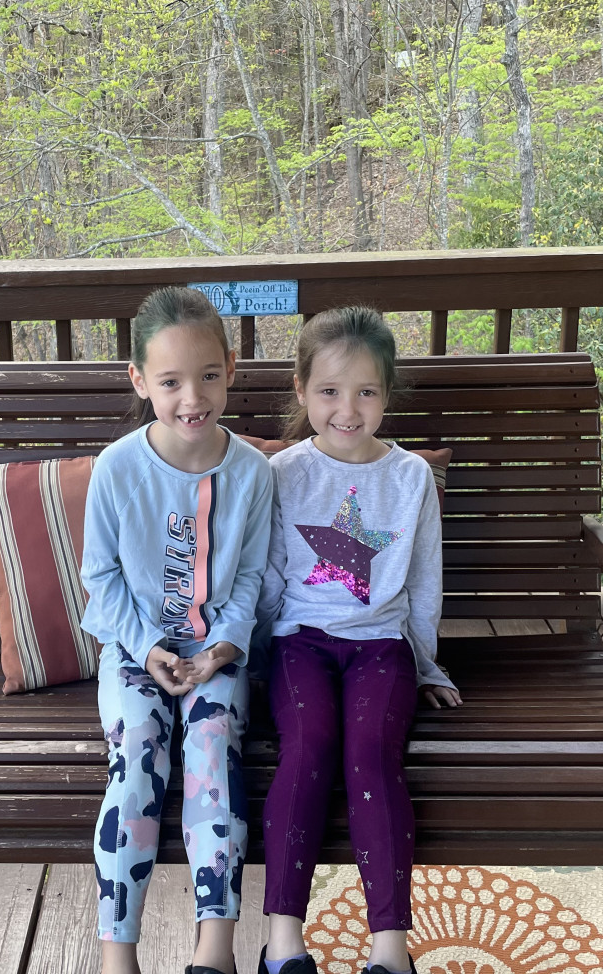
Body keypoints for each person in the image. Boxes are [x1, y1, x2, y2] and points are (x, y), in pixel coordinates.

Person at [255, 307, 461, 974]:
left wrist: (426, 667)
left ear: (386, 394)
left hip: (381, 647)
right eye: (330, 391)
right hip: (300, 643)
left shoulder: (410, 477)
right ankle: (283, 941)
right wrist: (255, 663)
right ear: (301, 390)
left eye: (366, 391)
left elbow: (423, 581)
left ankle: (390, 950)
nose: (348, 409)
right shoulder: (283, 473)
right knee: (308, 745)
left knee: (372, 755)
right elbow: (268, 577)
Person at [82, 286, 274, 974]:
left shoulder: (252, 472)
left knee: (214, 744)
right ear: (139, 380)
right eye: (170, 382)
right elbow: (100, 578)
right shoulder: (116, 469)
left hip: (216, 652)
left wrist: (222, 649)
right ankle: (118, 954)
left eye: (209, 376)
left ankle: (214, 948)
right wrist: (147, 647)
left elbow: (251, 576)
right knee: (138, 749)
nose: (192, 398)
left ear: (231, 368)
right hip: (135, 651)